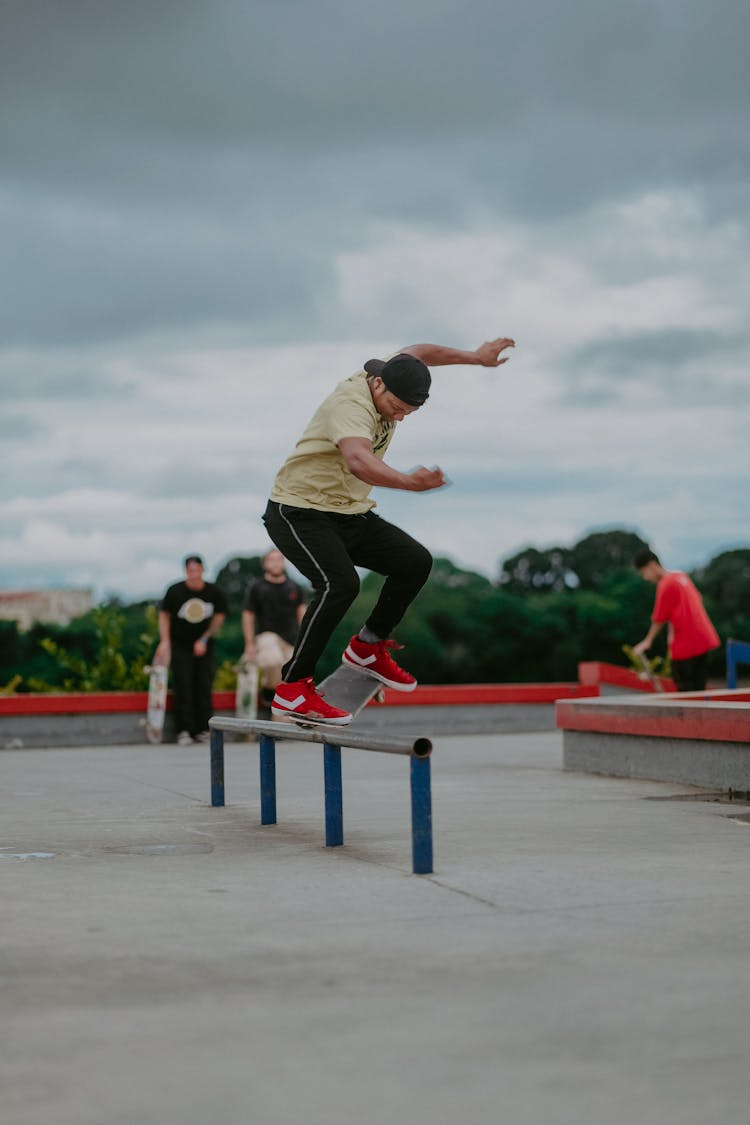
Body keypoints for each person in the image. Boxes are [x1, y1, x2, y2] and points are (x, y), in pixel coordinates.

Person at [263, 337, 516, 724]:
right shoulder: (350, 405)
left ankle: (367, 648)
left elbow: (421, 352)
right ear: (378, 385)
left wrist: (475, 358)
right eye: (397, 409)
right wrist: (408, 483)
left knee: (414, 561)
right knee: (339, 584)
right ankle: (293, 690)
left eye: (408, 413)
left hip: (347, 512)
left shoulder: (392, 370)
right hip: (299, 511)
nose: (398, 418)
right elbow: (358, 460)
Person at [156, 555, 228, 745]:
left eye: (197, 571)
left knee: (203, 685)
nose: (194, 575)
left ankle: (204, 729)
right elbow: (164, 615)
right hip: (180, 645)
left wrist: (204, 639)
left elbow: (219, 617)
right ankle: (184, 729)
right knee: (183, 685)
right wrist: (165, 641)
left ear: (203, 570)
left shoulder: (214, 592)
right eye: (190, 571)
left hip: (205, 645)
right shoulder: (175, 591)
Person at [631, 549, 720, 692]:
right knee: (699, 689)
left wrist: (648, 641)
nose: (645, 577)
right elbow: (699, 598)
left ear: (652, 565)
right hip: (703, 638)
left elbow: (659, 617)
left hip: (685, 644)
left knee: (685, 691)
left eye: (644, 572)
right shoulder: (681, 576)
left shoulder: (666, 584)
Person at [241, 549, 306, 715]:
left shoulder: (294, 587)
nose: (276, 563)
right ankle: (268, 692)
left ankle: (281, 725)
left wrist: (306, 641)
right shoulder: (257, 587)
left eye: (279, 559)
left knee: (290, 677)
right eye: (272, 560)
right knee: (272, 660)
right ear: (265, 564)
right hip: (266, 636)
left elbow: (303, 615)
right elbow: (248, 616)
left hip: (291, 639)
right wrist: (249, 644)